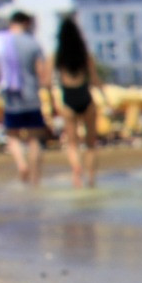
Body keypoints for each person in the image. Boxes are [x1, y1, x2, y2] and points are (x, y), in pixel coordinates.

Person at [0, 11, 52, 186]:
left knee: (12, 135)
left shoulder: (0, 43)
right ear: (27, 23)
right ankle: (36, 179)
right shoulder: (32, 43)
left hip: (10, 96)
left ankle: (21, 165)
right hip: (31, 95)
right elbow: (42, 73)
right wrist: (50, 96)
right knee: (34, 139)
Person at [50, 17, 101, 188]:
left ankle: (77, 172)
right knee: (90, 144)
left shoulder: (58, 56)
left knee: (72, 144)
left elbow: (47, 81)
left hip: (68, 98)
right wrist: (105, 98)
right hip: (85, 96)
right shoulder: (84, 54)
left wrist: (50, 104)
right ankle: (91, 178)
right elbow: (95, 80)